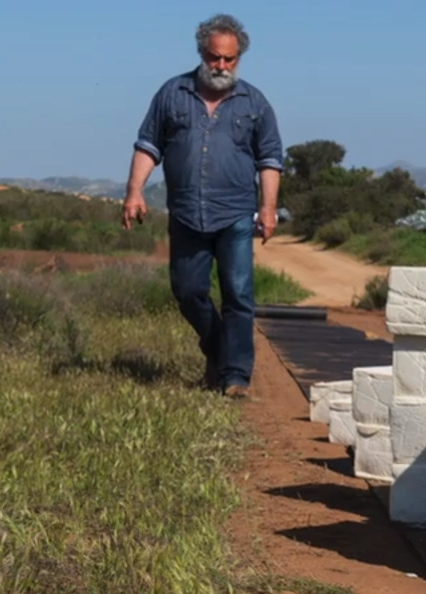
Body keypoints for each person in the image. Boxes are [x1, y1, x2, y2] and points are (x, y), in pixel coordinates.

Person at [121, 13, 283, 398]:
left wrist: (268, 208)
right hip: (186, 212)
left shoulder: (255, 103)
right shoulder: (172, 93)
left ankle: (235, 377)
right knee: (188, 290)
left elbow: (270, 159)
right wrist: (134, 191)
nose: (221, 65)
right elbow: (148, 146)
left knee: (238, 294)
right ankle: (219, 348)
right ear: (201, 53)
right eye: (214, 57)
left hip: (235, 213)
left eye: (229, 59)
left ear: (239, 58)